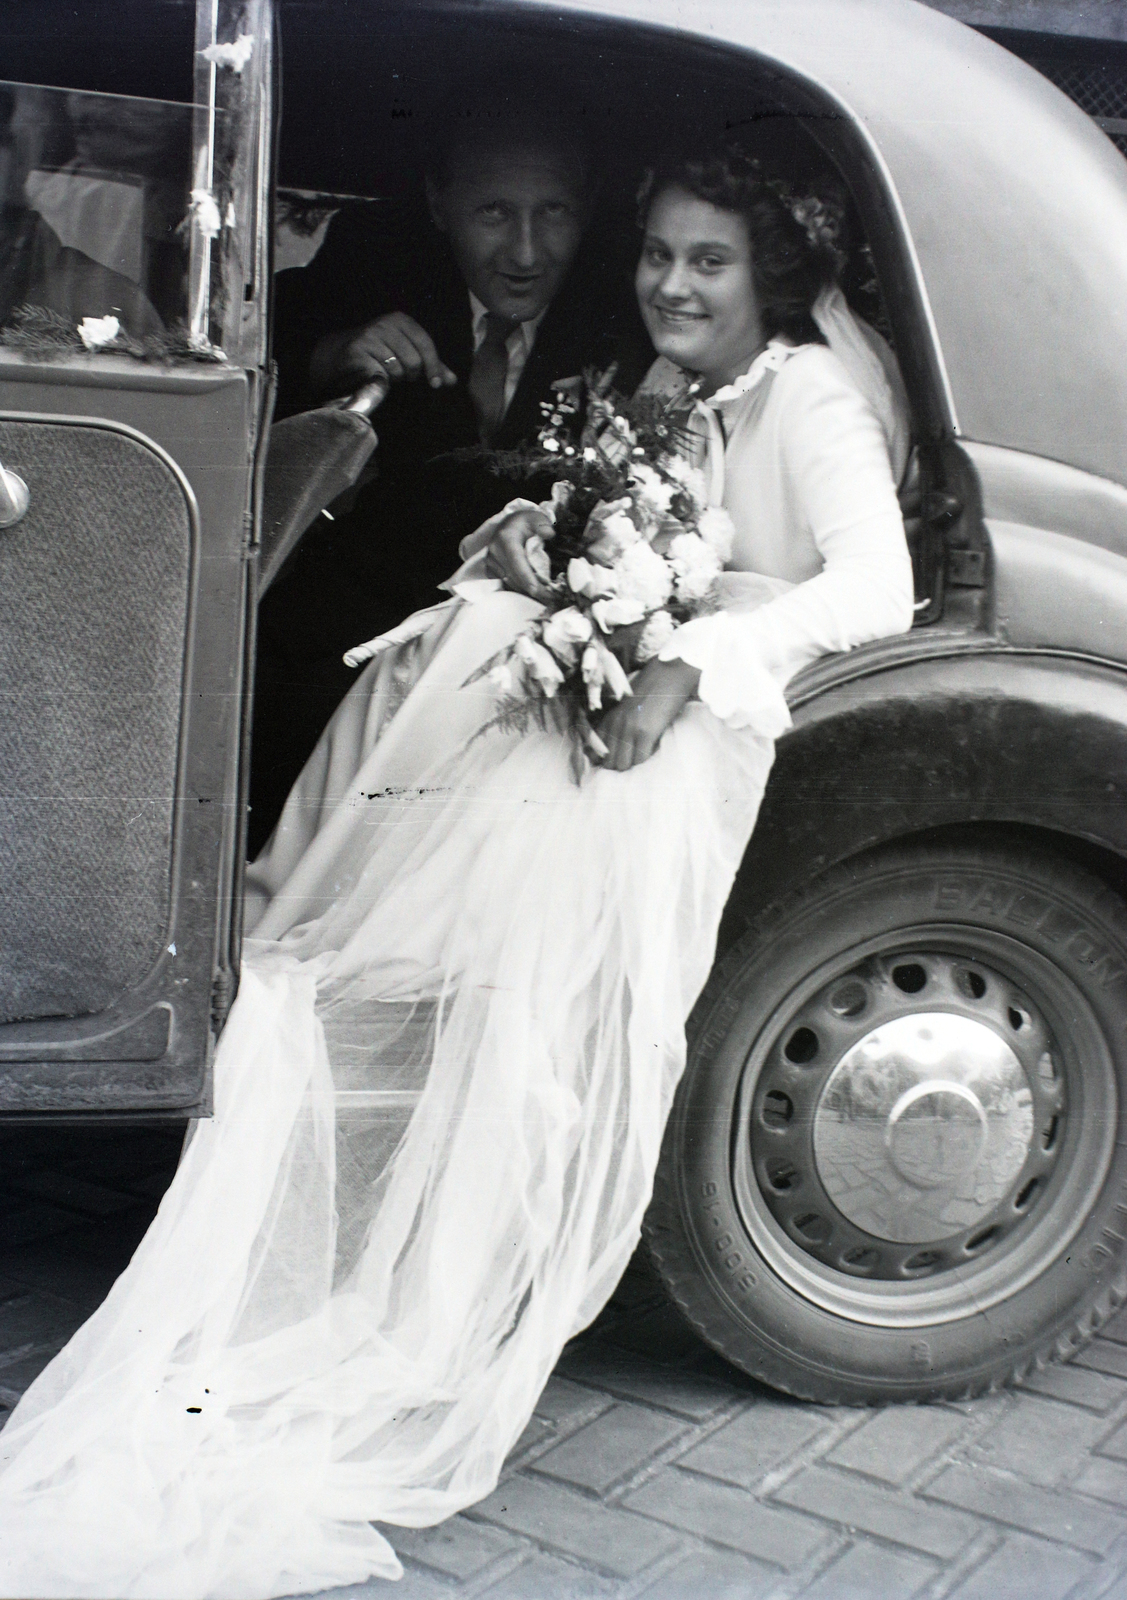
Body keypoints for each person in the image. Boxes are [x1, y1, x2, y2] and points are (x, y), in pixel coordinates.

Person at [0, 149, 914, 1600]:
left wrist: (690, 656)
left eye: (708, 264)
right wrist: (552, 557)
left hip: (696, 719)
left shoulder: (806, 399)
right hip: (620, 679)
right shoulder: (680, 391)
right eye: (659, 254)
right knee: (418, 829)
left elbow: (873, 589)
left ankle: (453, 1268)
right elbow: (635, 531)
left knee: (537, 953)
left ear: (773, 280)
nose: (669, 284)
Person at [250, 87, 649, 852]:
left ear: (588, 206)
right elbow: (259, 345)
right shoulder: (373, 254)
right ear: (437, 203)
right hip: (358, 615)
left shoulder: (629, 301)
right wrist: (338, 352)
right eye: (494, 213)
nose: (527, 252)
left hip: (517, 644)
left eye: (554, 212)